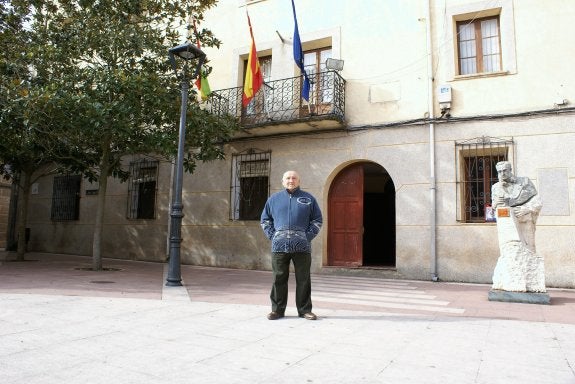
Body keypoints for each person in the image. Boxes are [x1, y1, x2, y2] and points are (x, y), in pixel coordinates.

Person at [260, 170, 323, 320]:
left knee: (304, 279)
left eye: (294, 178)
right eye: (288, 178)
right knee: (278, 278)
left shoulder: (308, 199)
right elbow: (265, 220)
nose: (291, 180)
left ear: (299, 181)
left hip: (302, 247)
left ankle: (304, 310)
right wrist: (273, 236)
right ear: (283, 181)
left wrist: (306, 237)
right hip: (279, 247)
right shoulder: (273, 199)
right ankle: (277, 310)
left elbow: (317, 220)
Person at [491, 161, 541, 252]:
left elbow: (537, 201)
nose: (502, 173)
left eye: (505, 170)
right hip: (506, 224)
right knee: (509, 251)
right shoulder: (496, 187)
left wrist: (526, 208)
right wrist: (495, 204)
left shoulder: (525, 182)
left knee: (528, 250)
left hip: (524, 221)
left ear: (510, 170)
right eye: (499, 172)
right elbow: (493, 208)